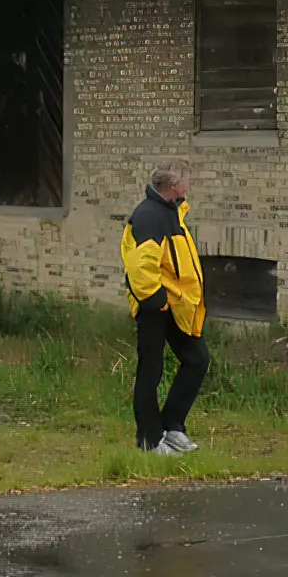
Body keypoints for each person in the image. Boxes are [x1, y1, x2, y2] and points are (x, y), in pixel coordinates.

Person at [122, 164, 207, 455]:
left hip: (176, 304)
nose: (189, 185)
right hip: (155, 306)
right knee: (151, 370)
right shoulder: (148, 215)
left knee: (197, 360)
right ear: (172, 184)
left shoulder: (173, 211)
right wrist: (156, 301)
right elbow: (139, 267)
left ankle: (172, 427)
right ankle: (149, 439)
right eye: (186, 180)